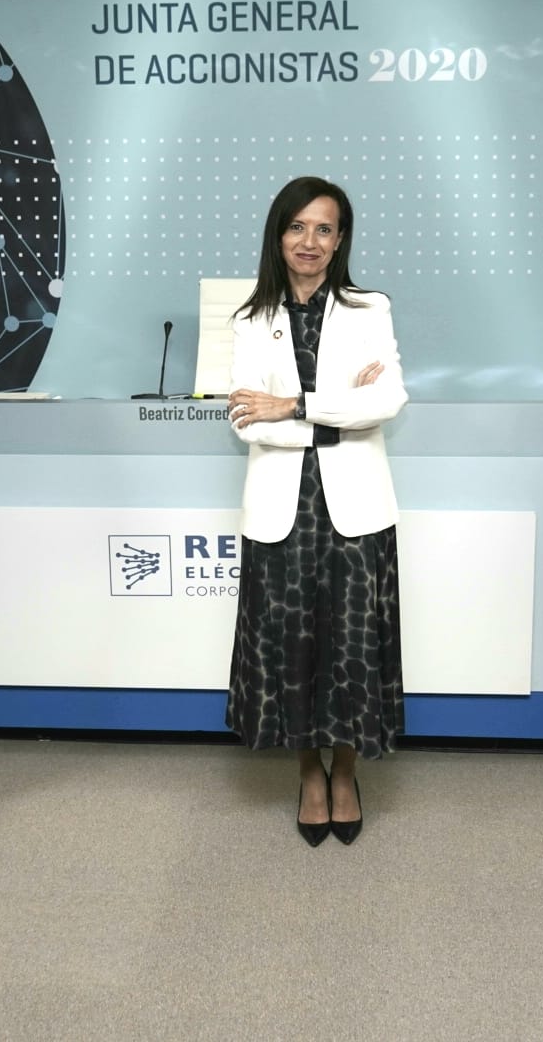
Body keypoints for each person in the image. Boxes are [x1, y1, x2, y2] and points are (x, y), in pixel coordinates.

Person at [225, 176, 409, 847]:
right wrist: (337, 410)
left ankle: (347, 772)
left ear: (341, 239)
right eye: (298, 227)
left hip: (355, 512)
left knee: (355, 650)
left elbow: (387, 403)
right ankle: (308, 773)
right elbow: (249, 425)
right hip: (282, 512)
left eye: (325, 229)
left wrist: (294, 404)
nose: (311, 241)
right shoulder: (250, 319)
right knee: (292, 652)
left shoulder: (369, 309)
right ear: (279, 235)